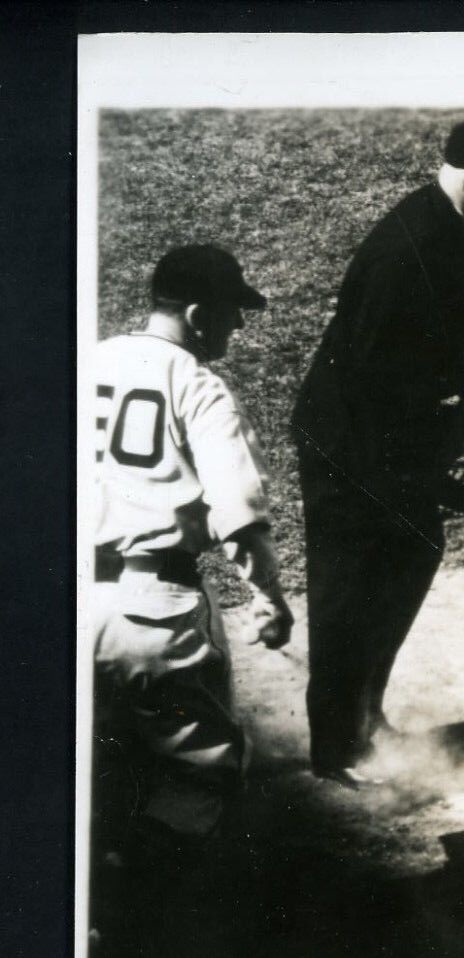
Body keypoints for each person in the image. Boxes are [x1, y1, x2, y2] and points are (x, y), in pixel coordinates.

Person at [291, 117, 464, 787]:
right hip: (346, 437)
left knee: (411, 551)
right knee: (350, 583)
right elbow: (371, 370)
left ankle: (365, 713)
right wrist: (428, 452)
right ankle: (336, 747)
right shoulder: (407, 246)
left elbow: (442, 345)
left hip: (384, 432)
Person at [92, 244, 294, 855]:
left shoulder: (86, 361)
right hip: (153, 616)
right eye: (234, 312)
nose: (237, 325)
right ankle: (150, 922)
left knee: (90, 771)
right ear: (201, 313)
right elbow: (239, 516)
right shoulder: (198, 386)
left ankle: (87, 919)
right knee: (201, 780)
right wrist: (270, 598)